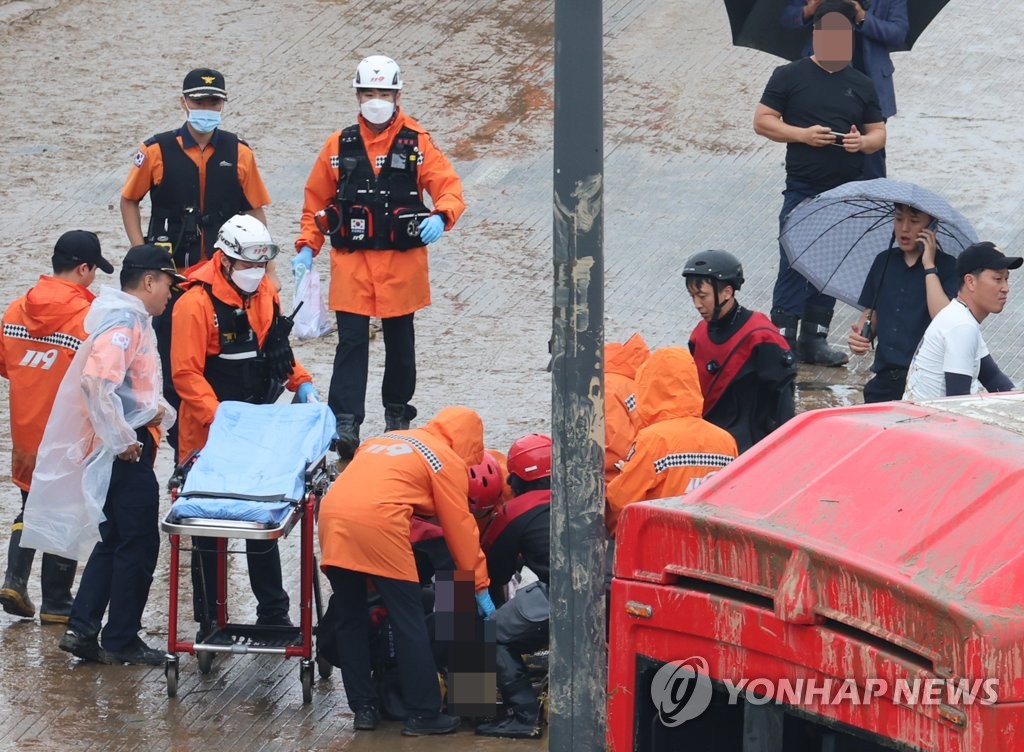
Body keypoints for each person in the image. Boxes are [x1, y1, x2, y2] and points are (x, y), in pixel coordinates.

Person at [292, 54, 466, 458]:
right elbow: (315, 203)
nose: (376, 99)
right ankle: (346, 423)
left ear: (397, 94)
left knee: (400, 342)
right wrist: (305, 249)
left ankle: (397, 416)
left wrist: (442, 216)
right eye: (368, 92)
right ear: (357, 95)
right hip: (352, 264)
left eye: (383, 92)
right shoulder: (337, 145)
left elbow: (450, 188)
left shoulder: (418, 143)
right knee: (351, 343)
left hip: (400, 265)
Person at [22, 245, 181, 665]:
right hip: (123, 450)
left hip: (119, 444)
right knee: (140, 543)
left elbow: (134, 389)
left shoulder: (126, 318)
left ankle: (83, 626)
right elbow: (96, 383)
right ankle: (121, 637)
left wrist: (158, 415)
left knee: (113, 539)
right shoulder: (125, 324)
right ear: (149, 281)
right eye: (168, 283)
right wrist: (121, 438)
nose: (171, 293)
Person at [170, 214, 317, 637]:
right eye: (249, 266)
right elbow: (186, 375)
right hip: (209, 433)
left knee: (262, 520)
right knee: (208, 531)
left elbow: (277, 351)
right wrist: (226, 421)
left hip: (258, 426)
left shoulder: (264, 293)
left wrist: (301, 382)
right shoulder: (194, 305)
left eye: (261, 265)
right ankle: (209, 619)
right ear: (226, 260)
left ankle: (273, 611)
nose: (257, 273)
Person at [120, 67, 274, 450]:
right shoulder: (156, 150)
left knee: (224, 349)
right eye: (200, 101)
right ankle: (178, 430)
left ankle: (221, 417)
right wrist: (142, 253)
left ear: (223, 104)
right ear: (183, 102)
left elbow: (256, 210)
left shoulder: (239, 152)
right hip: (175, 274)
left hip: (223, 274)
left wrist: (268, 267)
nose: (207, 107)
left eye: (214, 102)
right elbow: (129, 199)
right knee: (172, 353)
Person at [318, 406, 492, 736]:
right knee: (407, 618)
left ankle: (364, 709)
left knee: (350, 617)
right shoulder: (445, 459)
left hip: (333, 516)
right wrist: (479, 584)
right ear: (468, 442)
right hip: (381, 525)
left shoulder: (387, 439)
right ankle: (424, 714)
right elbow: (460, 527)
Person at [755, 0, 886, 366]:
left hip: (844, 193)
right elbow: (763, 120)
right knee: (793, 260)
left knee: (829, 264)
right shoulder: (788, 75)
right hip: (802, 187)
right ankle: (782, 340)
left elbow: (879, 132)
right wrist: (802, 135)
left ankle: (815, 338)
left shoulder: (861, 84)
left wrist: (863, 143)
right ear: (816, 35)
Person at [0, 231, 114, 623]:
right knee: (64, 511)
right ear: (84, 268)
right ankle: (56, 601)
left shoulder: (15, 310)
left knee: (30, 503)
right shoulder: (91, 316)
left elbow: (5, 365)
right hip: (68, 437)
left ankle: (15, 579)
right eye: (94, 270)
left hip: (25, 434)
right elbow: (101, 378)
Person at [605, 347, 739, 536]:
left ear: (649, 386)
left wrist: (622, 474)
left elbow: (622, 499)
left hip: (661, 542)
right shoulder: (726, 440)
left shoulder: (652, 440)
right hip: (707, 542)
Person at [476, 434, 552, 740]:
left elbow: (496, 572)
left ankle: (523, 715)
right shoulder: (587, 491)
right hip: (609, 591)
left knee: (489, 634)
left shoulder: (514, 511)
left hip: (559, 596)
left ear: (515, 480)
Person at [781, 0, 909, 179]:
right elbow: (786, 18)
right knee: (823, 152)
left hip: (870, 83)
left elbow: (898, 34)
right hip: (823, 80)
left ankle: (872, 200)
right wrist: (810, 9)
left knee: (871, 160)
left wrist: (861, 15)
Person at [684, 250, 796, 452]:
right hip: (710, 442)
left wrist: (783, 449)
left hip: (750, 446)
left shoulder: (762, 337)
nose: (697, 305)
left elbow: (783, 400)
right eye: (692, 296)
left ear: (727, 292)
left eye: (703, 296)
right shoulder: (698, 336)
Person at [847, 204, 958, 402]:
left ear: (932, 227)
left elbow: (944, 318)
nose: (904, 228)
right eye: (898, 219)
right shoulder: (883, 261)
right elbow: (871, 312)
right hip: (885, 379)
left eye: (914, 221)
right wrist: (860, 336)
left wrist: (929, 265)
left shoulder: (948, 266)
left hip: (927, 382)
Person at [903, 242, 1020, 400]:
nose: (1005, 288)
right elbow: (958, 402)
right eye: (998, 279)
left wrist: (1018, 402)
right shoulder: (961, 326)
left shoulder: (960, 315)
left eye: (1006, 279)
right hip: (932, 420)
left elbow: (992, 377)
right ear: (970, 282)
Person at [604, 333, 650, 483]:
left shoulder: (605, 388)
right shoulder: (636, 381)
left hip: (617, 480)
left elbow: (616, 446)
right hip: (642, 467)